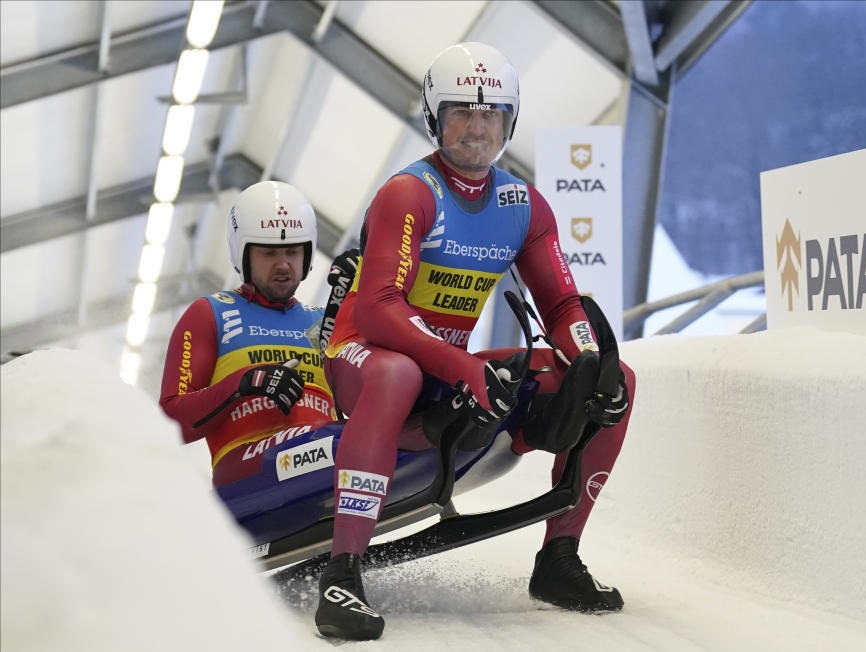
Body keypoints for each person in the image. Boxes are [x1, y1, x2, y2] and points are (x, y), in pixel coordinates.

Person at [315, 42, 636, 640]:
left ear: (510, 123)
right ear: (436, 119)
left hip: (444, 361)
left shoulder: (522, 204)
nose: (477, 127)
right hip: (364, 354)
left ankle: (558, 560)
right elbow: (379, 308)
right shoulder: (409, 193)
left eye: (492, 114)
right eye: (462, 111)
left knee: (614, 379)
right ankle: (343, 573)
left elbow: (563, 305)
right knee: (396, 372)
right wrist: (461, 366)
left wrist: (590, 357)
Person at [159, 180, 336, 489]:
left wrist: (364, 298)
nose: (283, 265)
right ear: (243, 255)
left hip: (329, 455)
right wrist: (244, 383)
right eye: (269, 253)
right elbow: (169, 422)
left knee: (362, 437)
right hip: (246, 470)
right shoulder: (210, 313)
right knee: (343, 442)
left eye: (293, 252)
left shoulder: (323, 320)